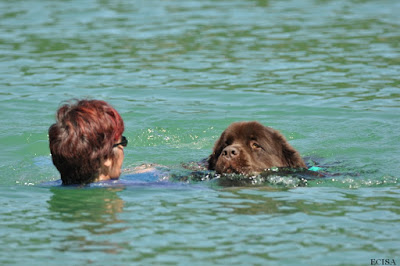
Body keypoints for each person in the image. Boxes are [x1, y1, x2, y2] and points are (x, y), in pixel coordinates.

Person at [48, 99, 127, 185]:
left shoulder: (45, 186)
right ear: (106, 158)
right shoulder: (132, 187)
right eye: (122, 142)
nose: (122, 148)